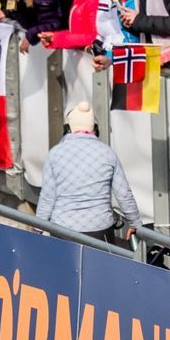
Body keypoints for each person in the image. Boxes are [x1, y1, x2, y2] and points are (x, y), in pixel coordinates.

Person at [37, 102, 139, 238]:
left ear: (67, 129)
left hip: (63, 228)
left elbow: (47, 198)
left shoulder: (55, 154)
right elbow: (124, 194)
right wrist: (135, 224)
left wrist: (38, 228)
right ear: (95, 129)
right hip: (100, 230)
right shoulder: (107, 153)